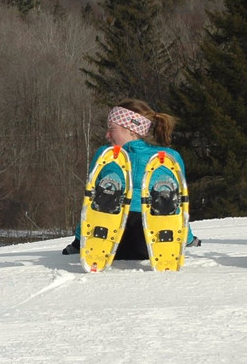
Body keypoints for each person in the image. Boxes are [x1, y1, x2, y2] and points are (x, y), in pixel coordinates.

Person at [63, 99, 199, 259]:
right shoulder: (169, 157)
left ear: (132, 130)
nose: (107, 135)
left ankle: (111, 194)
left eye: (112, 129)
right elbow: (181, 206)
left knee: (102, 197)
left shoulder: (104, 155)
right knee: (168, 199)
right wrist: (188, 239)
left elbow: (89, 201)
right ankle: (161, 198)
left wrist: (79, 242)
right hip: (151, 242)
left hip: (112, 240)